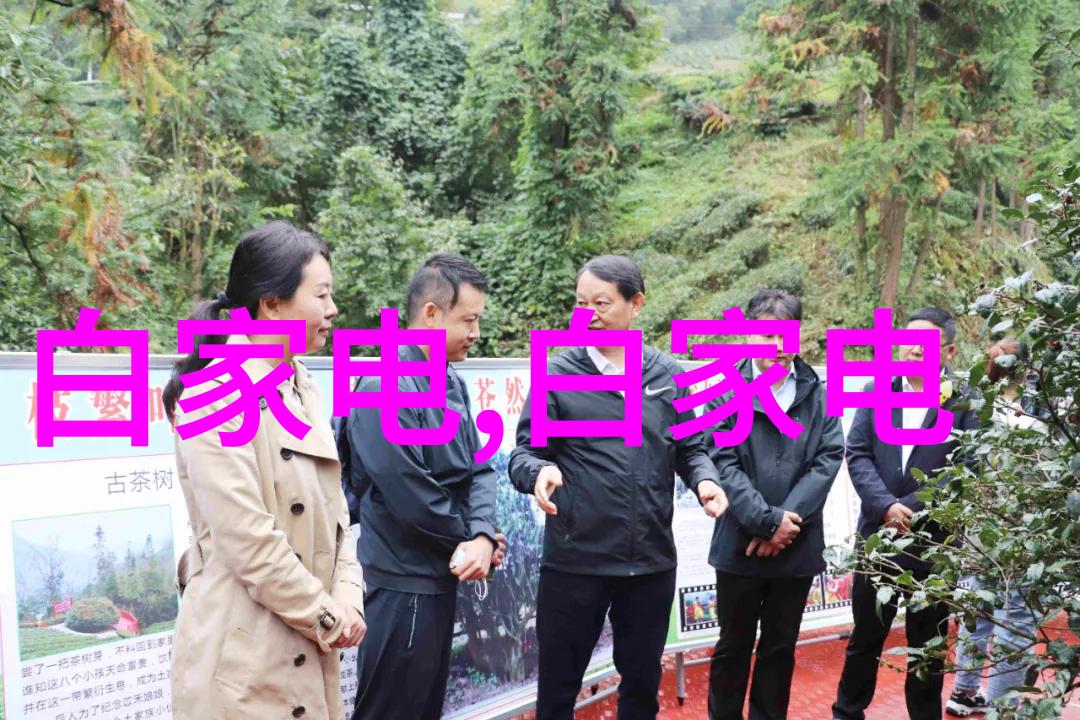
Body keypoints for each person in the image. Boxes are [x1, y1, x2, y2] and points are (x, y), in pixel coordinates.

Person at [509, 254, 728, 720]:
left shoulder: (669, 376)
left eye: (601, 303)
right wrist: (538, 472)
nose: (588, 315)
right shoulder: (558, 374)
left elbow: (691, 448)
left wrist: (705, 479)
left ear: (636, 304)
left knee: (642, 688)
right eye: (580, 303)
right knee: (557, 692)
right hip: (575, 564)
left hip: (648, 562)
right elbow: (524, 453)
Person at [166, 221, 365, 720]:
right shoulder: (214, 395)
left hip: (310, 639)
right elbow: (250, 543)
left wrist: (349, 597)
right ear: (272, 303)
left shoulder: (302, 384)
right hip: (244, 658)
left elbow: (339, 519)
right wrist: (329, 616)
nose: (332, 309)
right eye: (321, 295)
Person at [339, 253, 503, 720]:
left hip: (440, 575)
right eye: (468, 320)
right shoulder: (382, 387)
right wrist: (473, 541)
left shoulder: (450, 382)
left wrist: (482, 536)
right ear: (431, 314)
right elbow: (411, 497)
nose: (476, 332)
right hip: (402, 584)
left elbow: (480, 470)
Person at [704, 289, 845, 720]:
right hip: (740, 543)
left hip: (795, 547)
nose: (777, 345)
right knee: (733, 647)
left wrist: (785, 524)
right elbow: (723, 462)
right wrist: (766, 523)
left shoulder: (820, 394)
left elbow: (828, 459)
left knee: (780, 648)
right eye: (766, 335)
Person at [833, 307, 979, 720]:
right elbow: (857, 453)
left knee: (927, 646)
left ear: (949, 350)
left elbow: (966, 468)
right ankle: (847, 712)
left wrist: (910, 508)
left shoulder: (965, 401)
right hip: (877, 538)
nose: (914, 349)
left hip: (934, 543)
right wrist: (885, 505)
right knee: (865, 637)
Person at [945, 339, 1045, 717]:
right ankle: (1003, 706)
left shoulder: (974, 408)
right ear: (1026, 369)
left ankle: (965, 691)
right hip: (1021, 527)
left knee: (978, 608)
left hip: (979, 526)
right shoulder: (1037, 417)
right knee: (1015, 617)